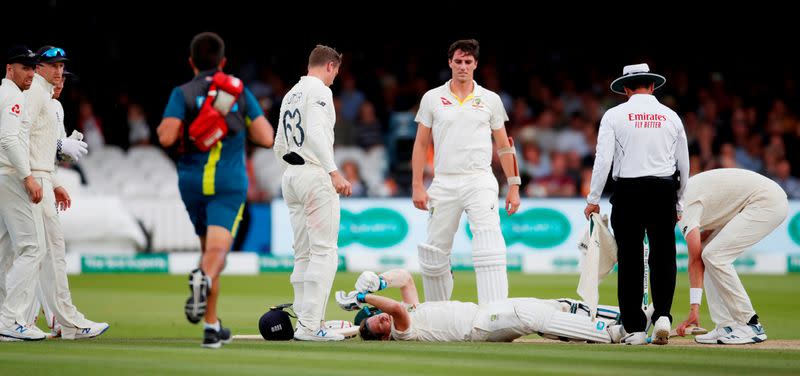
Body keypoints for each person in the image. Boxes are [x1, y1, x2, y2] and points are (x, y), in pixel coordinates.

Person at [157, 32, 274, 348]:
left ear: (191, 62)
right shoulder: (237, 91)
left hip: (192, 183)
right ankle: (203, 279)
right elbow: (266, 137)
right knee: (216, 254)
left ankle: (211, 325)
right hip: (227, 183)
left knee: (208, 250)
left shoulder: (182, 92)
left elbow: (166, 137)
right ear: (223, 62)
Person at [584, 63, 689, 345]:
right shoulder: (670, 116)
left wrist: (593, 199)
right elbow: (684, 163)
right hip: (663, 188)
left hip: (629, 189)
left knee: (630, 259)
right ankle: (663, 315)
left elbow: (603, 160)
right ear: (652, 86)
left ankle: (636, 329)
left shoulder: (614, 115)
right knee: (664, 254)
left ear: (626, 89)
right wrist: (679, 201)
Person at [411, 39, 521, 305]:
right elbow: (421, 143)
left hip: (479, 179)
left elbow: (505, 146)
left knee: (488, 241)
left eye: (467, 62)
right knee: (435, 252)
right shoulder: (432, 98)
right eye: (458, 61)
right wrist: (417, 185)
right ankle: (438, 314)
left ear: (475, 65)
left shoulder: (490, 100)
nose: (462, 66)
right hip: (444, 181)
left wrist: (514, 186)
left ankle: (495, 313)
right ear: (450, 62)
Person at [21, 46, 106, 340]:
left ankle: (34, 319)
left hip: (39, 177)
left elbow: (42, 148)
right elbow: (20, 137)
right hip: (29, 180)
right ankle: (60, 321)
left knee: (37, 252)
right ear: (39, 67)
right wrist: (57, 151)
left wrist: (55, 179)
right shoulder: (33, 94)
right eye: (53, 66)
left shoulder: (53, 104)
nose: (59, 76)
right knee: (42, 251)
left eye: (62, 70)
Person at [272, 44, 351, 341]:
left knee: (303, 253)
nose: (335, 79)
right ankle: (309, 326)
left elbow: (279, 142)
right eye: (336, 72)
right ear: (330, 66)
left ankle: (304, 322)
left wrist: (291, 167)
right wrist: (333, 171)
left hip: (291, 176)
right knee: (324, 251)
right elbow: (317, 133)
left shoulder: (291, 92)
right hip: (315, 175)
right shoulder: (320, 91)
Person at [335, 269, 625, 343]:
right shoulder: (402, 332)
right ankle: (610, 334)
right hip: (480, 327)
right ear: (385, 336)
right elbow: (395, 311)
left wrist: (377, 282)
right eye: (380, 324)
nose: (384, 318)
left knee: (554, 305)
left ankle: (628, 317)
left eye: (379, 317)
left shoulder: (412, 311)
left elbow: (407, 279)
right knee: (534, 317)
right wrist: (361, 298)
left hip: (485, 311)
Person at [675, 168, 788, 344]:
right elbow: (720, 206)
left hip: (766, 202)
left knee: (714, 255)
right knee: (709, 250)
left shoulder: (682, 206)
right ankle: (726, 325)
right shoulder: (684, 192)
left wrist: (694, 310)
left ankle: (750, 325)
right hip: (754, 201)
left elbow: (695, 260)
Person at [0, 45, 47, 341]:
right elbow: (8, 139)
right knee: (32, 247)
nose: (30, 74)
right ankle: (10, 319)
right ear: (9, 68)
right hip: (9, 175)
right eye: (25, 68)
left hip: (2, 175)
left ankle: (5, 321)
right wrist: (28, 177)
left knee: (4, 251)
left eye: (33, 68)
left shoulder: (2, 93)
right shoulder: (13, 96)